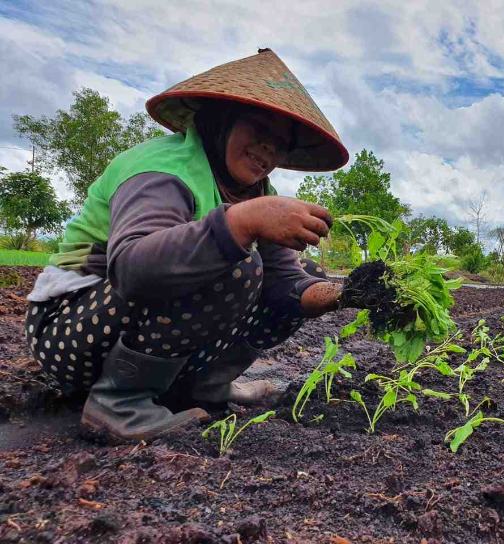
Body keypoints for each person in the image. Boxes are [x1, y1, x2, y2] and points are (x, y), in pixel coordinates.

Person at [24, 49, 353, 442]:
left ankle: (204, 388)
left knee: (309, 272)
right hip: (73, 331)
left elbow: (285, 281)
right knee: (234, 262)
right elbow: (133, 270)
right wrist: (243, 220)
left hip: (129, 328)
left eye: (280, 143)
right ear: (221, 119)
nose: (268, 149)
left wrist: (349, 293)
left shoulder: (253, 190)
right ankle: (119, 401)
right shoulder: (163, 169)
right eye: (259, 129)